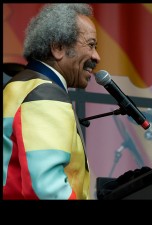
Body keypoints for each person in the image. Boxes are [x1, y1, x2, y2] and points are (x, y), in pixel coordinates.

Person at [3, 3, 101, 200]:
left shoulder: (18, 86)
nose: (96, 57)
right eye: (90, 45)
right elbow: (47, 190)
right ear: (58, 47)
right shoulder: (45, 93)